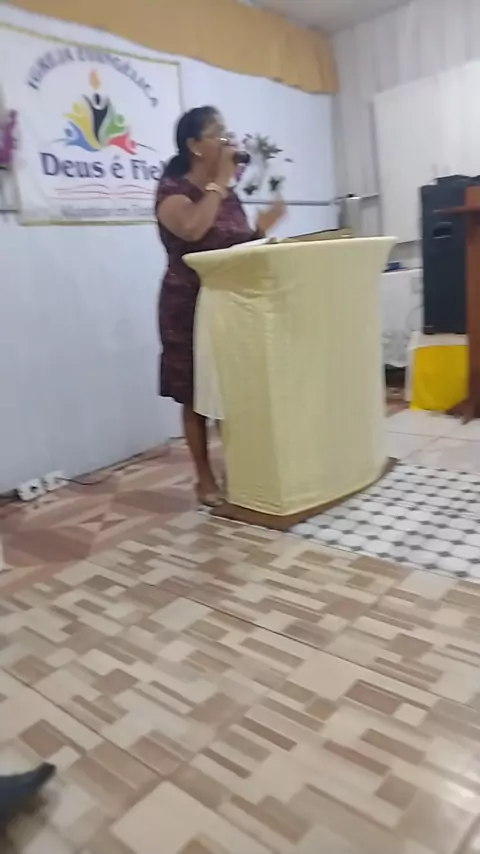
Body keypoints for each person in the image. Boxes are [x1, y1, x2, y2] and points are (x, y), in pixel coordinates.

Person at [155, 106, 285, 506]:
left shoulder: (226, 195)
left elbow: (236, 248)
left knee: (232, 389)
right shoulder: (173, 191)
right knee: (196, 396)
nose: (228, 141)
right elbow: (193, 229)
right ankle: (204, 479)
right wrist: (220, 182)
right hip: (187, 305)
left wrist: (261, 230)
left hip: (230, 304)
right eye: (218, 133)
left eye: (228, 132)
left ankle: (240, 467)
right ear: (195, 145)